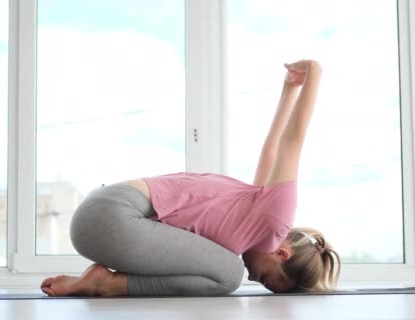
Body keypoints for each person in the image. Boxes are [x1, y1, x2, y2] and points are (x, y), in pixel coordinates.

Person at [40, 59, 340, 297]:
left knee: (227, 268)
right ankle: (106, 284)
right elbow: (291, 142)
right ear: (282, 253)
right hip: (111, 219)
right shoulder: (275, 222)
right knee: (228, 276)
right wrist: (314, 71)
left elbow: (270, 149)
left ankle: (103, 281)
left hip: (102, 212)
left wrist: (289, 89)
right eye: (264, 277)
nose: (252, 276)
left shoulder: (256, 210)